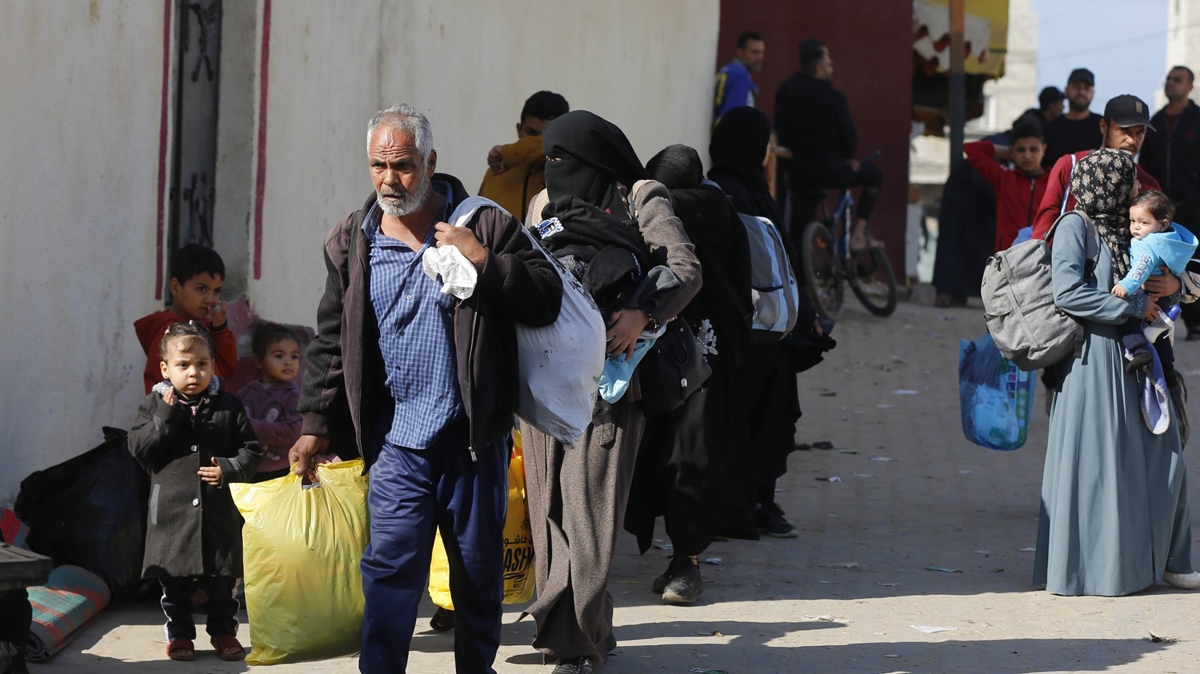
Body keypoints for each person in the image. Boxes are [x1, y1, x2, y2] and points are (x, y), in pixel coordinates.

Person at [289, 104, 563, 674]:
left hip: (472, 440)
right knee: (389, 574)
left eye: (405, 166)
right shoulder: (352, 242)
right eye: (379, 166)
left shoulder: (485, 223)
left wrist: (485, 261)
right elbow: (330, 341)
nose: (391, 180)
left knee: (477, 574)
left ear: (432, 162)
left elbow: (545, 298)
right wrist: (314, 424)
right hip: (396, 447)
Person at [519, 110, 700, 674]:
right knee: (548, 512)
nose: (554, 170)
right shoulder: (542, 207)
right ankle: (587, 626)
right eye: (547, 160)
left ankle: (573, 645)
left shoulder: (640, 195)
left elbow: (686, 268)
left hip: (612, 385)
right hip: (546, 381)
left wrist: (641, 312)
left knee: (590, 517)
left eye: (563, 159)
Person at [1034, 148, 1199, 596]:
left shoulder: (1134, 230)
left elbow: (1174, 270)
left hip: (1140, 359)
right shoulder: (1075, 227)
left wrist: (1177, 286)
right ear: (1106, 184)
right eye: (1128, 183)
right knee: (1101, 469)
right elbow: (1068, 294)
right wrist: (1130, 303)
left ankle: (1170, 560)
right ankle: (1100, 570)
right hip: (1094, 362)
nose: (1135, 191)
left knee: (1165, 458)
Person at [623, 144, 755, 605]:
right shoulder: (724, 208)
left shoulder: (659, 209)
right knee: (687, 457)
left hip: (662, 353)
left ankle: (686, 565)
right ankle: (685, 561)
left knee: (668, 454)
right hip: (707, 358)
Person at [127, 321, 262, 662]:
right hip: (171, 517)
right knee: (175, 585)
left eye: (202, 364)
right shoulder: (153, 406)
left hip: (217, 515)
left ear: (213, 366)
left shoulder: (228, 406)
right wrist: (167, 415)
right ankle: (181, 636)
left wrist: (228, 469)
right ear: (165, 368)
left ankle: (224, 632)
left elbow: (251, 450)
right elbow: (140, 450)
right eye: (183, 365)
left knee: (222, 583)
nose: (194, 372)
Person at [708, 106, 810, 539]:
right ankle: (743, 505)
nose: (768, 154)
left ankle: (757, 502)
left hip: (767, 331)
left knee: (763, 419)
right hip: (746, 332)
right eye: (765, 145)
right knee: (750, 421)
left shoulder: (747, 189)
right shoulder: (728, 193)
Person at [776, 38, 884, 251]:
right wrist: (846, 157)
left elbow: (782, 131)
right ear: (818, 70)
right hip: (830, 170)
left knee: (799, 227)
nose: (832, 67)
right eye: (828, 63)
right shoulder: (833, 97)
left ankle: (800, 279)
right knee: (875, 175)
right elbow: (848, 138)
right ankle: (858, 236)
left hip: (799, 172)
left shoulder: (787, 92)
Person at [1031, 94, 1162, 240]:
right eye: (1124, 130)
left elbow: (1157, 244)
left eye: (1140, 132)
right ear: (1103, 127)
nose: (1132, 140)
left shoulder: (1148, 185)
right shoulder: (1070, 166)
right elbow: (1042, 231)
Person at [1139, 66, 1200, 340]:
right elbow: (1145, 166)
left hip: (1194, 206)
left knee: (1194, 262)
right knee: (1162, 261)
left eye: (1178, 80)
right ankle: (1162, 316)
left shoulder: (1196, 119)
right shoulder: (1157, 122)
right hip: (1162, 209)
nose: (1171, 84)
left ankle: (1196, 322)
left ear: (1189, 86)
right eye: (1169, 79)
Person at [1110, 191, 1197, 375]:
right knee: (1161, 337)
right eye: (1132, 221)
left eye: (1144, 222)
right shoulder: (1169, 240)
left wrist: (1126, 285)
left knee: (1127, 321)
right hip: (1163, 299)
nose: (1136, 228)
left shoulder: (1147, 244)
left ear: (1163, 224)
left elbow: (1140, 269)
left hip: (1149, 295)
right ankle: (1168, 369)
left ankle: (1138, 351)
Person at [134, 244, 237, 394]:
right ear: (175, 287)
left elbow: (227, 370)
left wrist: (220, 329)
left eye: (216, 291)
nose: (211, 299)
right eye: (202, 289)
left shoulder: (205, 326)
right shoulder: (169, 332)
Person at [478, 91, 570, 221]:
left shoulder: (569, 171)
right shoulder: (497, 173)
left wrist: (508, 153)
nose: (537, 142)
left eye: (546, 135)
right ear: (519, 129)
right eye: (531, 133)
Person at [962, 121, 1049, 251]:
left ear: (1043, 149)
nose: (1027, 155)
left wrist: (1015, 153)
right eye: (1021, 150)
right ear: (1011, 151)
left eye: (1033, 149)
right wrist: (1009, 153)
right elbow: (971, 149)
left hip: (1043, 259)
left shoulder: (1055, 180)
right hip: (1007, 259)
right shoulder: (1004, 178)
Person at [235, 323, 303, 482]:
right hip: (247, 467)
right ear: (258, 361)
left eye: (294, 356)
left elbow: (293, 431)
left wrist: (252, 426)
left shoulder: (294, 396)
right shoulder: (244, 393)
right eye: (279, 356)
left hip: (282, 470)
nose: (288, 362)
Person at [1041, 68, 1103, 168]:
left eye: (1086, 88)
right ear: (1066, 90)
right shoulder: (1051, 128)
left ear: (1093, 93)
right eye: (1077, 87)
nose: (1082, 92)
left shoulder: (1103, 127)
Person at [713, 30, 765, 124]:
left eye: (762, 52)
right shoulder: (740, 77)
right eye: (755, 52)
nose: (760, 58)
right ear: (740, 52)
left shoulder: (727, 70)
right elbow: (733, 119)